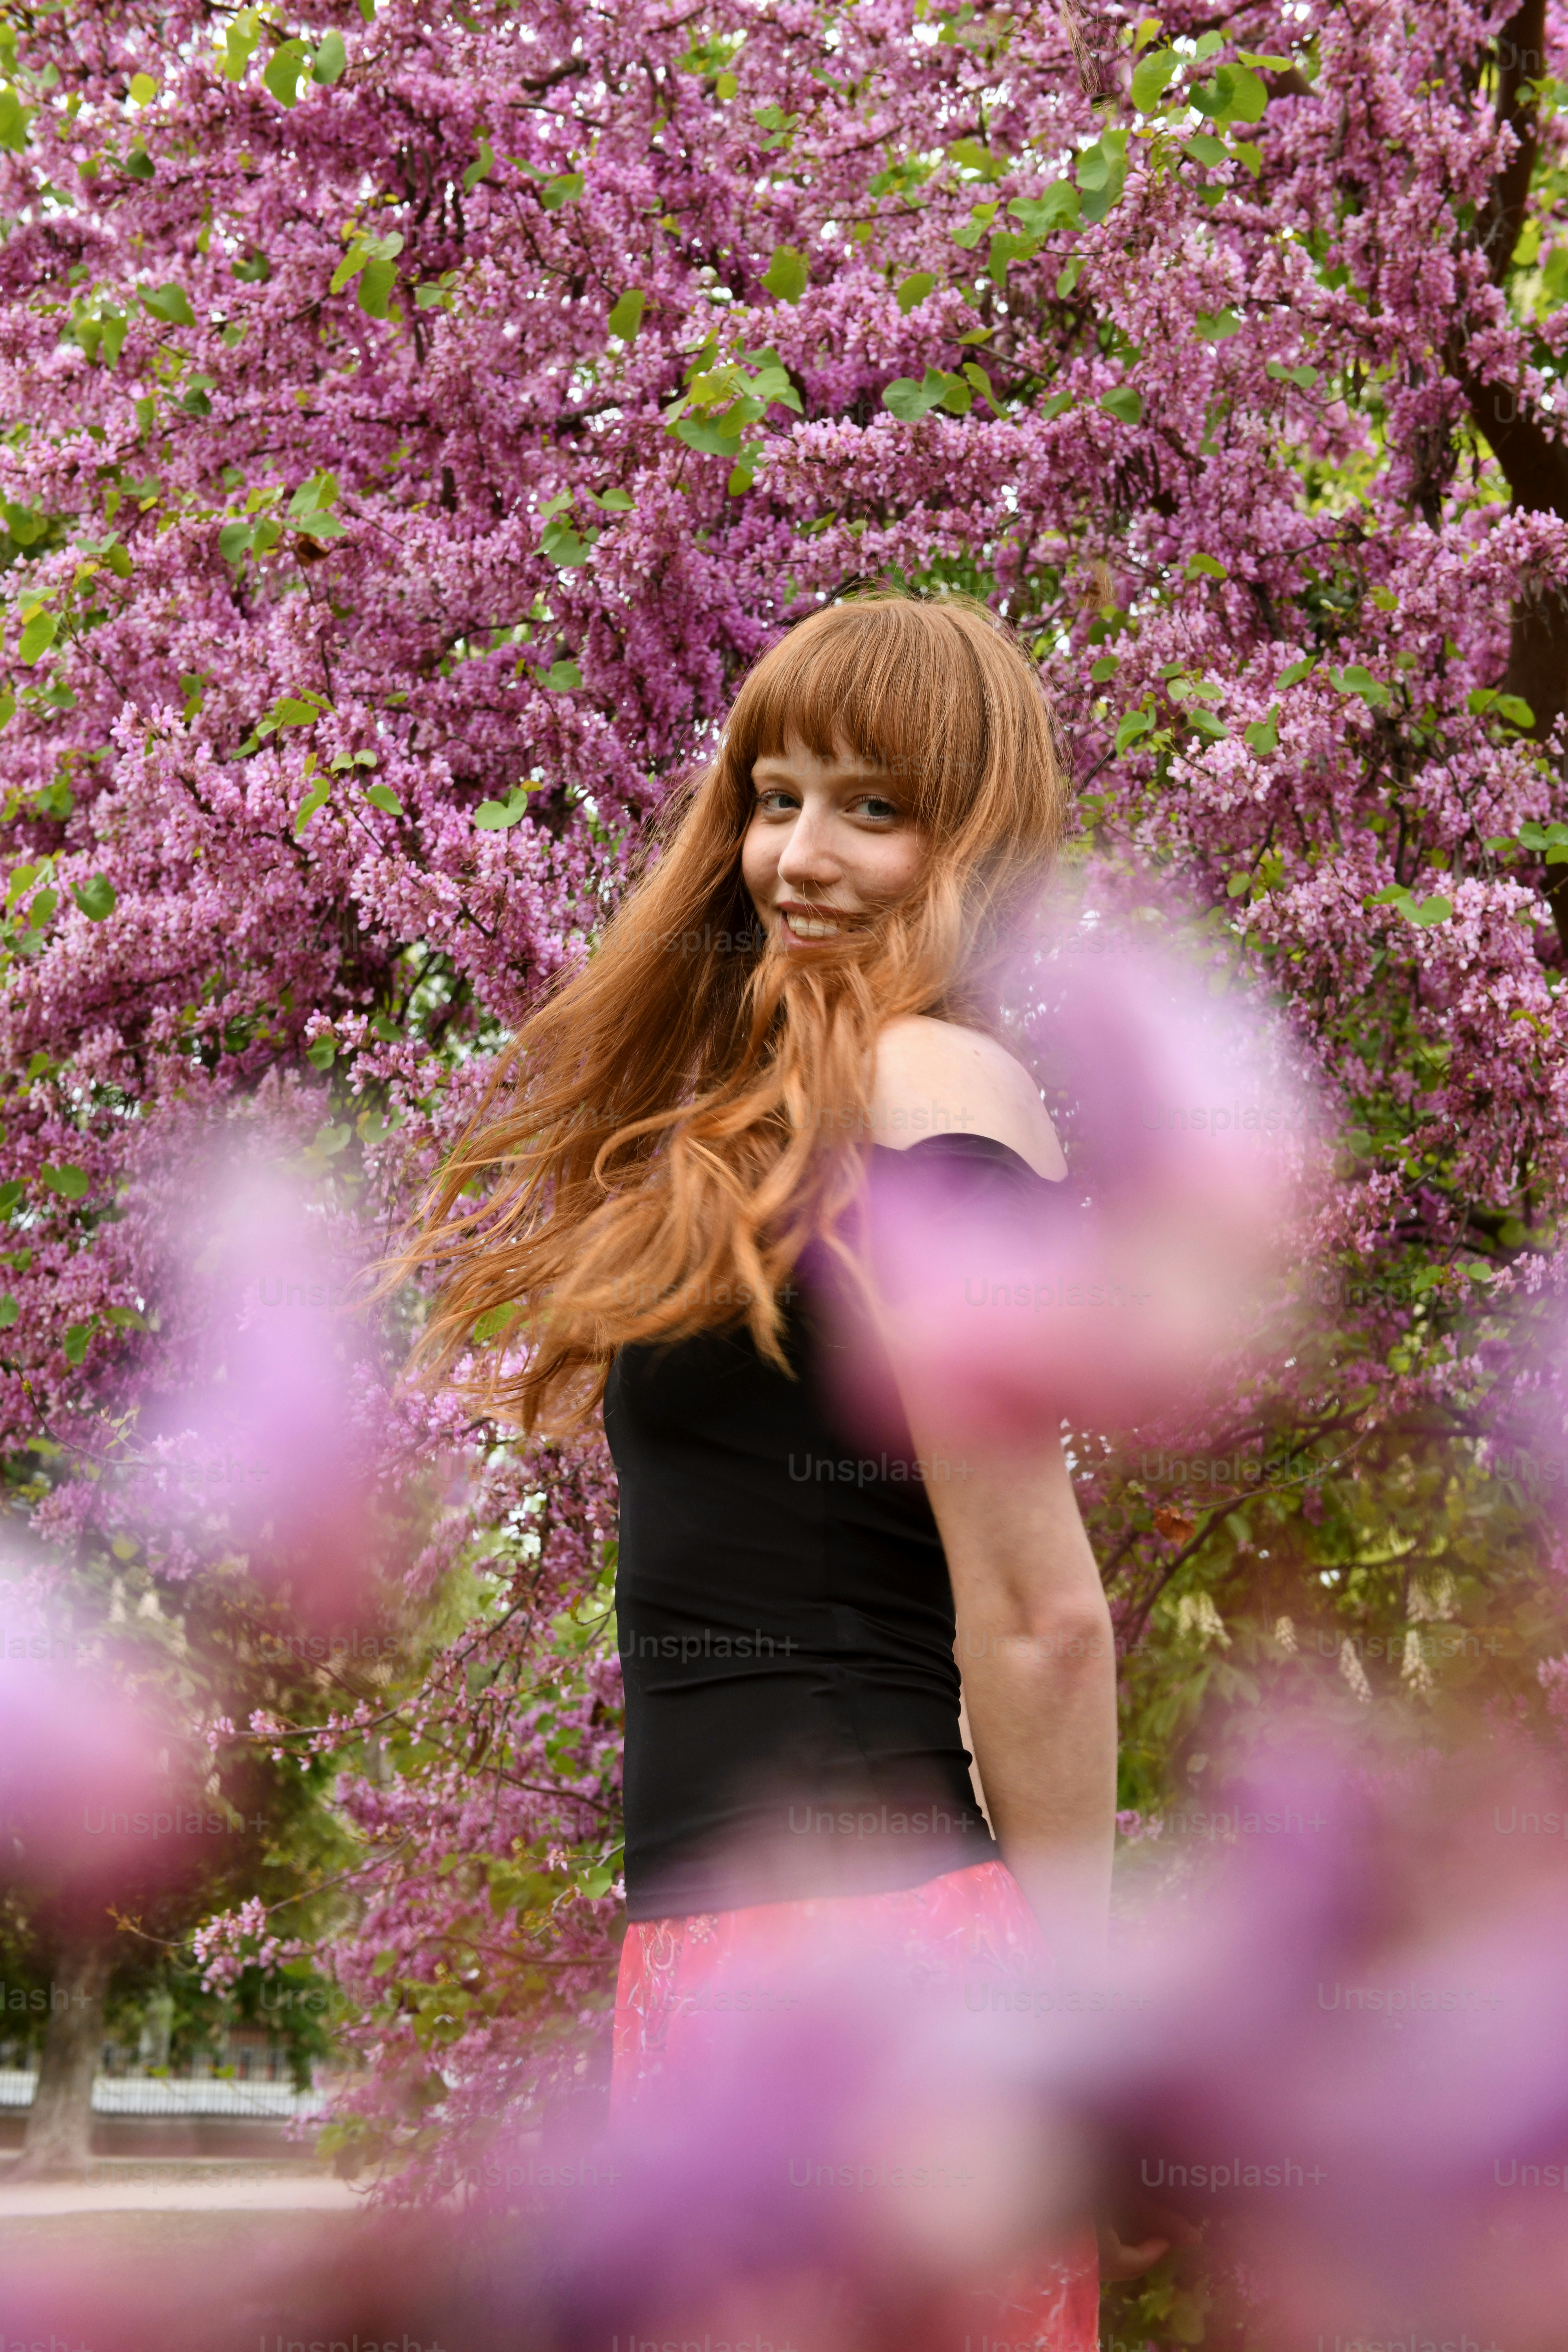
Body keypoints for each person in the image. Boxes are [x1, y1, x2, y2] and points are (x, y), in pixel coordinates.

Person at [401, 589, 1169, 2330]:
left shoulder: (933, 1092)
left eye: (875, 808)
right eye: (777, 794)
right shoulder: (793, 1116)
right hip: (715, 1950)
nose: (801, 855)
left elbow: (1042, 1615)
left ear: (973, 837)